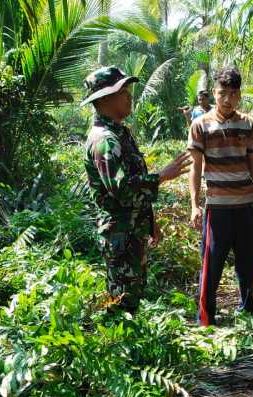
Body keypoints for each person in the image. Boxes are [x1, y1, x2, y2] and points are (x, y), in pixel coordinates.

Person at [81, 66, 190, 313]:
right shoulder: (105, 139)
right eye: (123, 92)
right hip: (121, 235)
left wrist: (149, 221)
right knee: (122, 305)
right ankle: (117, 349)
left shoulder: (120, 134)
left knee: (133, 298)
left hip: (132, 232)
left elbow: (132, 182)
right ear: (105, 98)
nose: (130, 96)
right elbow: (120, 188)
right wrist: (160, 177)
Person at [187, 67, 253, 326]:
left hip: (246, 204)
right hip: (217, 207)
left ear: (240, 95)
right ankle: (206, 318)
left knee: (249, 258)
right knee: (212, 263)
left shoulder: (247, 123)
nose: (227, 100)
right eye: (222, 94)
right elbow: (195, 168)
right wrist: (195, 205)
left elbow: (252, 158)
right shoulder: (200, 125)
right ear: (214, 93)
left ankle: (248, 306)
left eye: (233, 94)